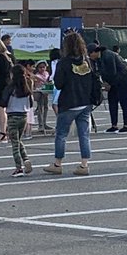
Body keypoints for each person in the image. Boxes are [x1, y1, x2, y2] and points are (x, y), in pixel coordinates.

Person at [43, 31, 101, 175]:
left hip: (69, 102)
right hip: (85, 102)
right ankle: (84, 164)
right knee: (84, 134)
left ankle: (58, 163)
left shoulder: (64, 63)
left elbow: (59, 83)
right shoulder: (87, 61)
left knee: (61, 134)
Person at [90, 44, 127, 133]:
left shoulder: (108, 55)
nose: (90, 57)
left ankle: (126, 125)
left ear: (94, 52)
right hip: (113, 82)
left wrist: (108, 84)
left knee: (124, 102)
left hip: (124, 79)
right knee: (112, 102)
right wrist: (104, 83)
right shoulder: (98, 59)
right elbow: (101, 72)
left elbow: (112, 72)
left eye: (90, 54)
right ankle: (114, 125)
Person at [2, 64, 34, 177]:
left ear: (12, 75)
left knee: (14, 143)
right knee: (18, 140)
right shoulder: (27, 88)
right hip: (23, 116)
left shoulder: (11, 88)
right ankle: (26, 159)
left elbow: (3, 102)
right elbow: (31, 103)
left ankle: (18, 168)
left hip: (12, 116)